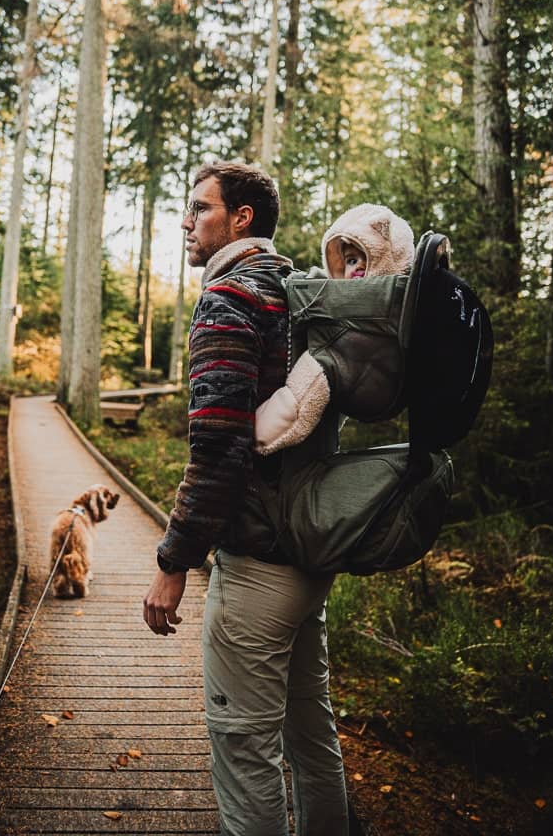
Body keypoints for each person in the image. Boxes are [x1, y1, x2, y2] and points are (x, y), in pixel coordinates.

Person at [142, 161, 350, 836]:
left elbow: (219, 446)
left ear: (241, 219)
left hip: (258, 559)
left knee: (244, 747)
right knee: (310, 734)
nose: (185, 221)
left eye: (198, 208)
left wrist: (174, 561)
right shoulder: (300, 294)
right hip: (311, 549)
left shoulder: (230, 298)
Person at [255, 203, 415, 456]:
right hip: (364, 385)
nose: (357, 267)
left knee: (307, 387)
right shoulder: (363, 310)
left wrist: (247, 435)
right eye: (351, 260)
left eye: (367, 257)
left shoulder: (353, 334)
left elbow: (298, 399)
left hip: (358, 373)